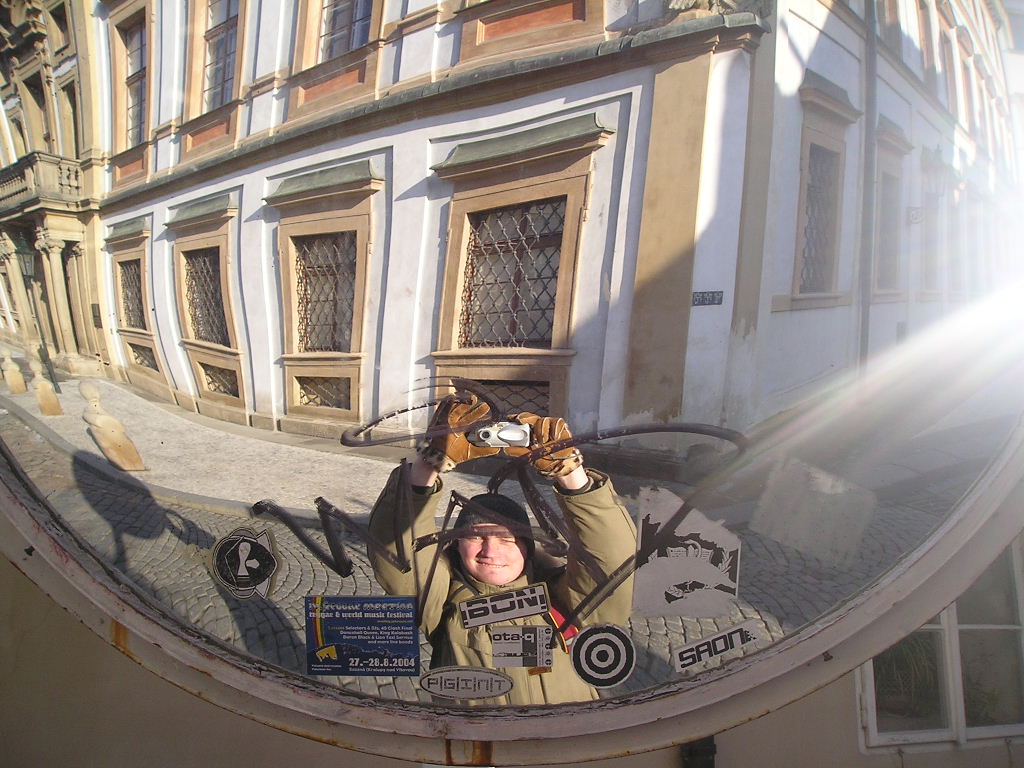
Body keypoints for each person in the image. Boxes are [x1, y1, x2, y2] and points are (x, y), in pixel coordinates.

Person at [368, 395, 637, 705]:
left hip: (568, 733)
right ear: (456, 543)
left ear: (527, 548)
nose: (490, 551)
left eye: (507, 539)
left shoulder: (564, 599)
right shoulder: (440, 602)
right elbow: (396, 548)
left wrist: (570, 472)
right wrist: (430, 462)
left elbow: (612, 560)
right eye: (475, 537)